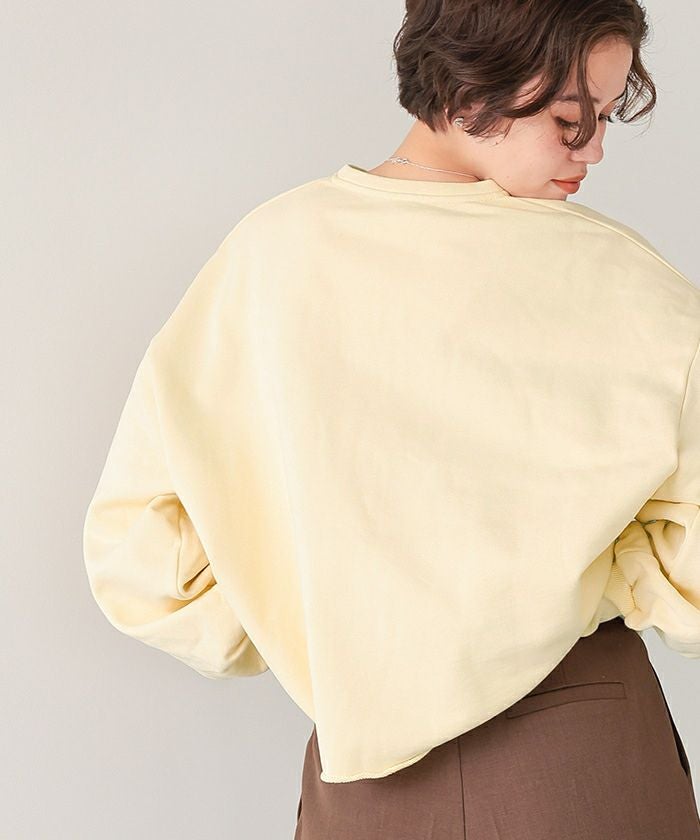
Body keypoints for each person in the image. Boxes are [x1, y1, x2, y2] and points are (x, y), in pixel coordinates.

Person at [82, 1, 700, 837]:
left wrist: (322, 620)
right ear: (472, 83)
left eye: (606, 117)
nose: (593, 150)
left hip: (363, 780)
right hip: (581, 749)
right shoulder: (629, 282)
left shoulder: (267, 260)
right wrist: (593, 571)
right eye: (570, 120)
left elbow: (140, 555)